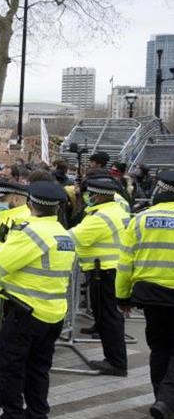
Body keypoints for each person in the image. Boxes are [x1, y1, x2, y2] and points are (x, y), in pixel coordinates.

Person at [0, 181, 76, 419]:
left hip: (26, 312)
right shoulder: (63, 233)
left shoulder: (30, 232)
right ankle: (37, 412)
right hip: (54, 312)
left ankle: (12, 414)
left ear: (30, 204)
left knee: (9, 365)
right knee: (38, 367)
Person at [117, 171, 174, 419]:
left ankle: (160, 397)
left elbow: (125, 262)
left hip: (149, 294)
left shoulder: (141, 219)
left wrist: (122, 297)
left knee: (159, 348)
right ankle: (166, 400)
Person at [70, 177, 129, 376]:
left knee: (108, 318)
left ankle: (116, 362)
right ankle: (114, 359)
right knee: (110, 316)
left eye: (91, 194)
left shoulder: (101, 217)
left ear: (99, 195)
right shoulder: (117, 211)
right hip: (111, 270)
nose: (89, 197)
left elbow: (75, 238)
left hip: (103, 272)